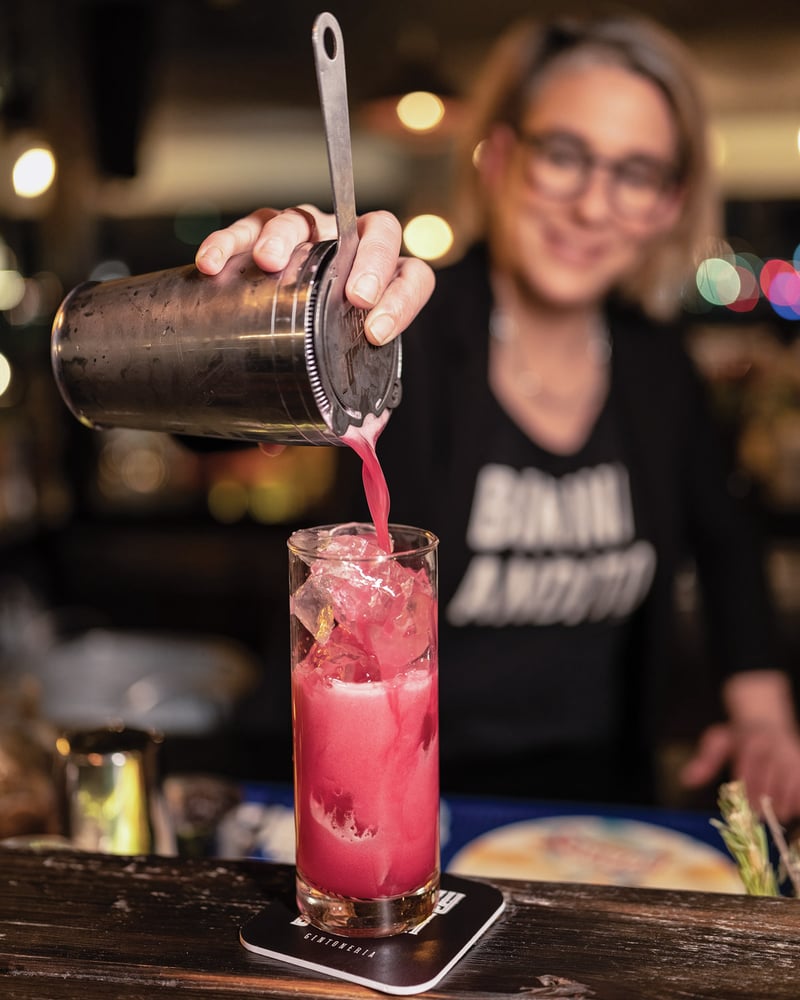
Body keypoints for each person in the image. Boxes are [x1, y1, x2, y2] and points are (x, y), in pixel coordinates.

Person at [195, 13, 800, 819]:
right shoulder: (398, 326)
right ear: (502, 157)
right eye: (565, 154)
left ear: (670, 202)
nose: (592, 204)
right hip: (363, 799)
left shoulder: (659, 370)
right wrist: (260, 315)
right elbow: (214, 423)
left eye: (637, 171)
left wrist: (761, 713)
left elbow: (727, 540)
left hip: (591, 810)